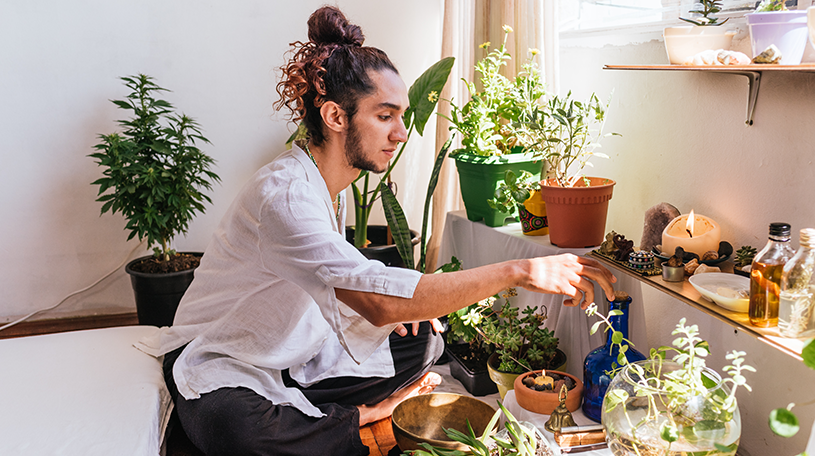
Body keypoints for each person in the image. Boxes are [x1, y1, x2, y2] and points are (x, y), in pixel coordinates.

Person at [136, 6, 617, 456]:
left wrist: (404, 308)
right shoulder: (284, 195)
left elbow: (344, 273)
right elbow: (378, 301)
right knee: (233, 427)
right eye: (385, 116)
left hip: (295, 344)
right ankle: (360, 418)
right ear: (335, 117)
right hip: (224, 359)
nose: (400, 132)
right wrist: (520, 268)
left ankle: (316, 412)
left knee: (426, 338)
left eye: (401, 116)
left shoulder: (330, 183)